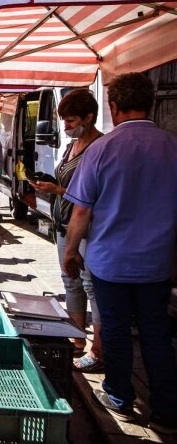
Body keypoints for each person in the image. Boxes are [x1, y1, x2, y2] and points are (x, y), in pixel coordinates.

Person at [63, 73, 177, 430]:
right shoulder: (173, 146)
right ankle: (167, 412)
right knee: (156, 333)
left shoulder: (101, 149)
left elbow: (81, 211)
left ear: (113, 108)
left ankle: (120, 396)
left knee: (114, 330)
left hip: (110, 262)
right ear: (153, 104)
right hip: (158, 264)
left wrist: (69, 251)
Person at [31, 89, 104, 370]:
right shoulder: (71, 146)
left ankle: (99, 349)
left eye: (71, 120)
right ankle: (76, 340)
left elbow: (92, 195)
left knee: (90, 284)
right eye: (64, 121)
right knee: (70, 280)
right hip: (64, 223)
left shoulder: (99, 148)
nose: (66, 126)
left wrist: (58, 189)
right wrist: (52, 186)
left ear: (89, 117)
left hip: (87, 229)